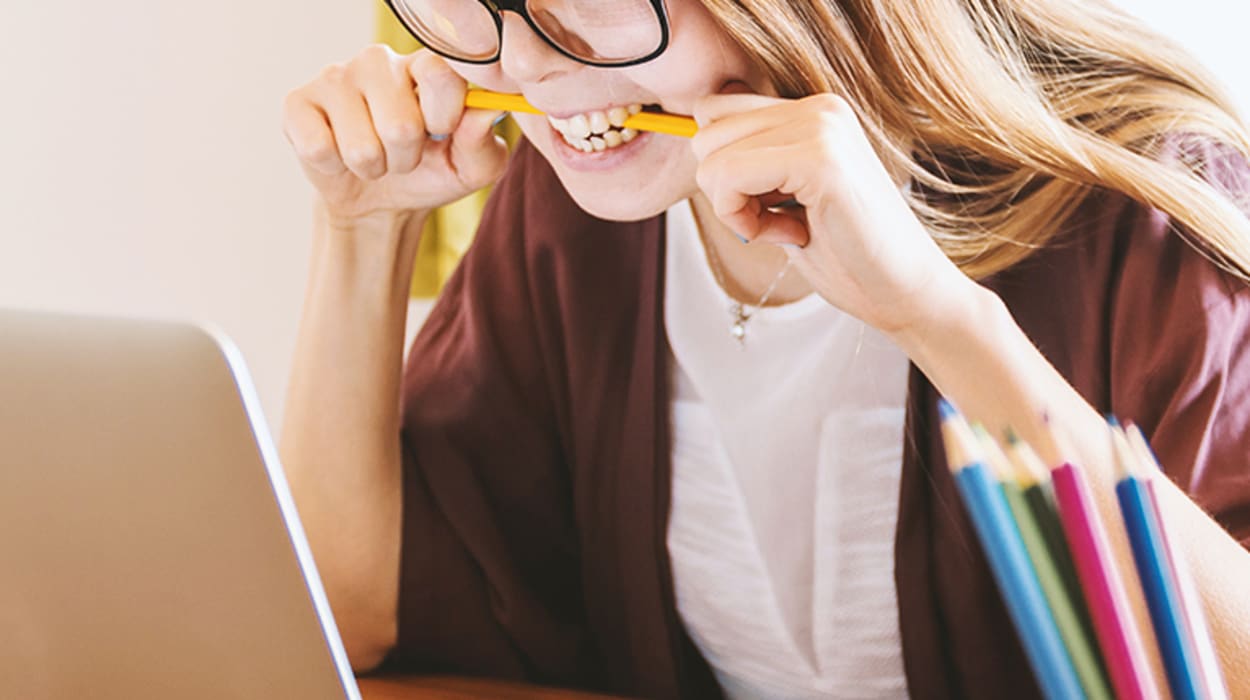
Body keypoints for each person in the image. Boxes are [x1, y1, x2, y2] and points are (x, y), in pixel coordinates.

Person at [279, 0, 1250, 697]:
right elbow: (353, 616)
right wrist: (360, 230)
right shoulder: (575, 207)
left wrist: (936, 318)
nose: (524, 65)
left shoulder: (1144, 201)